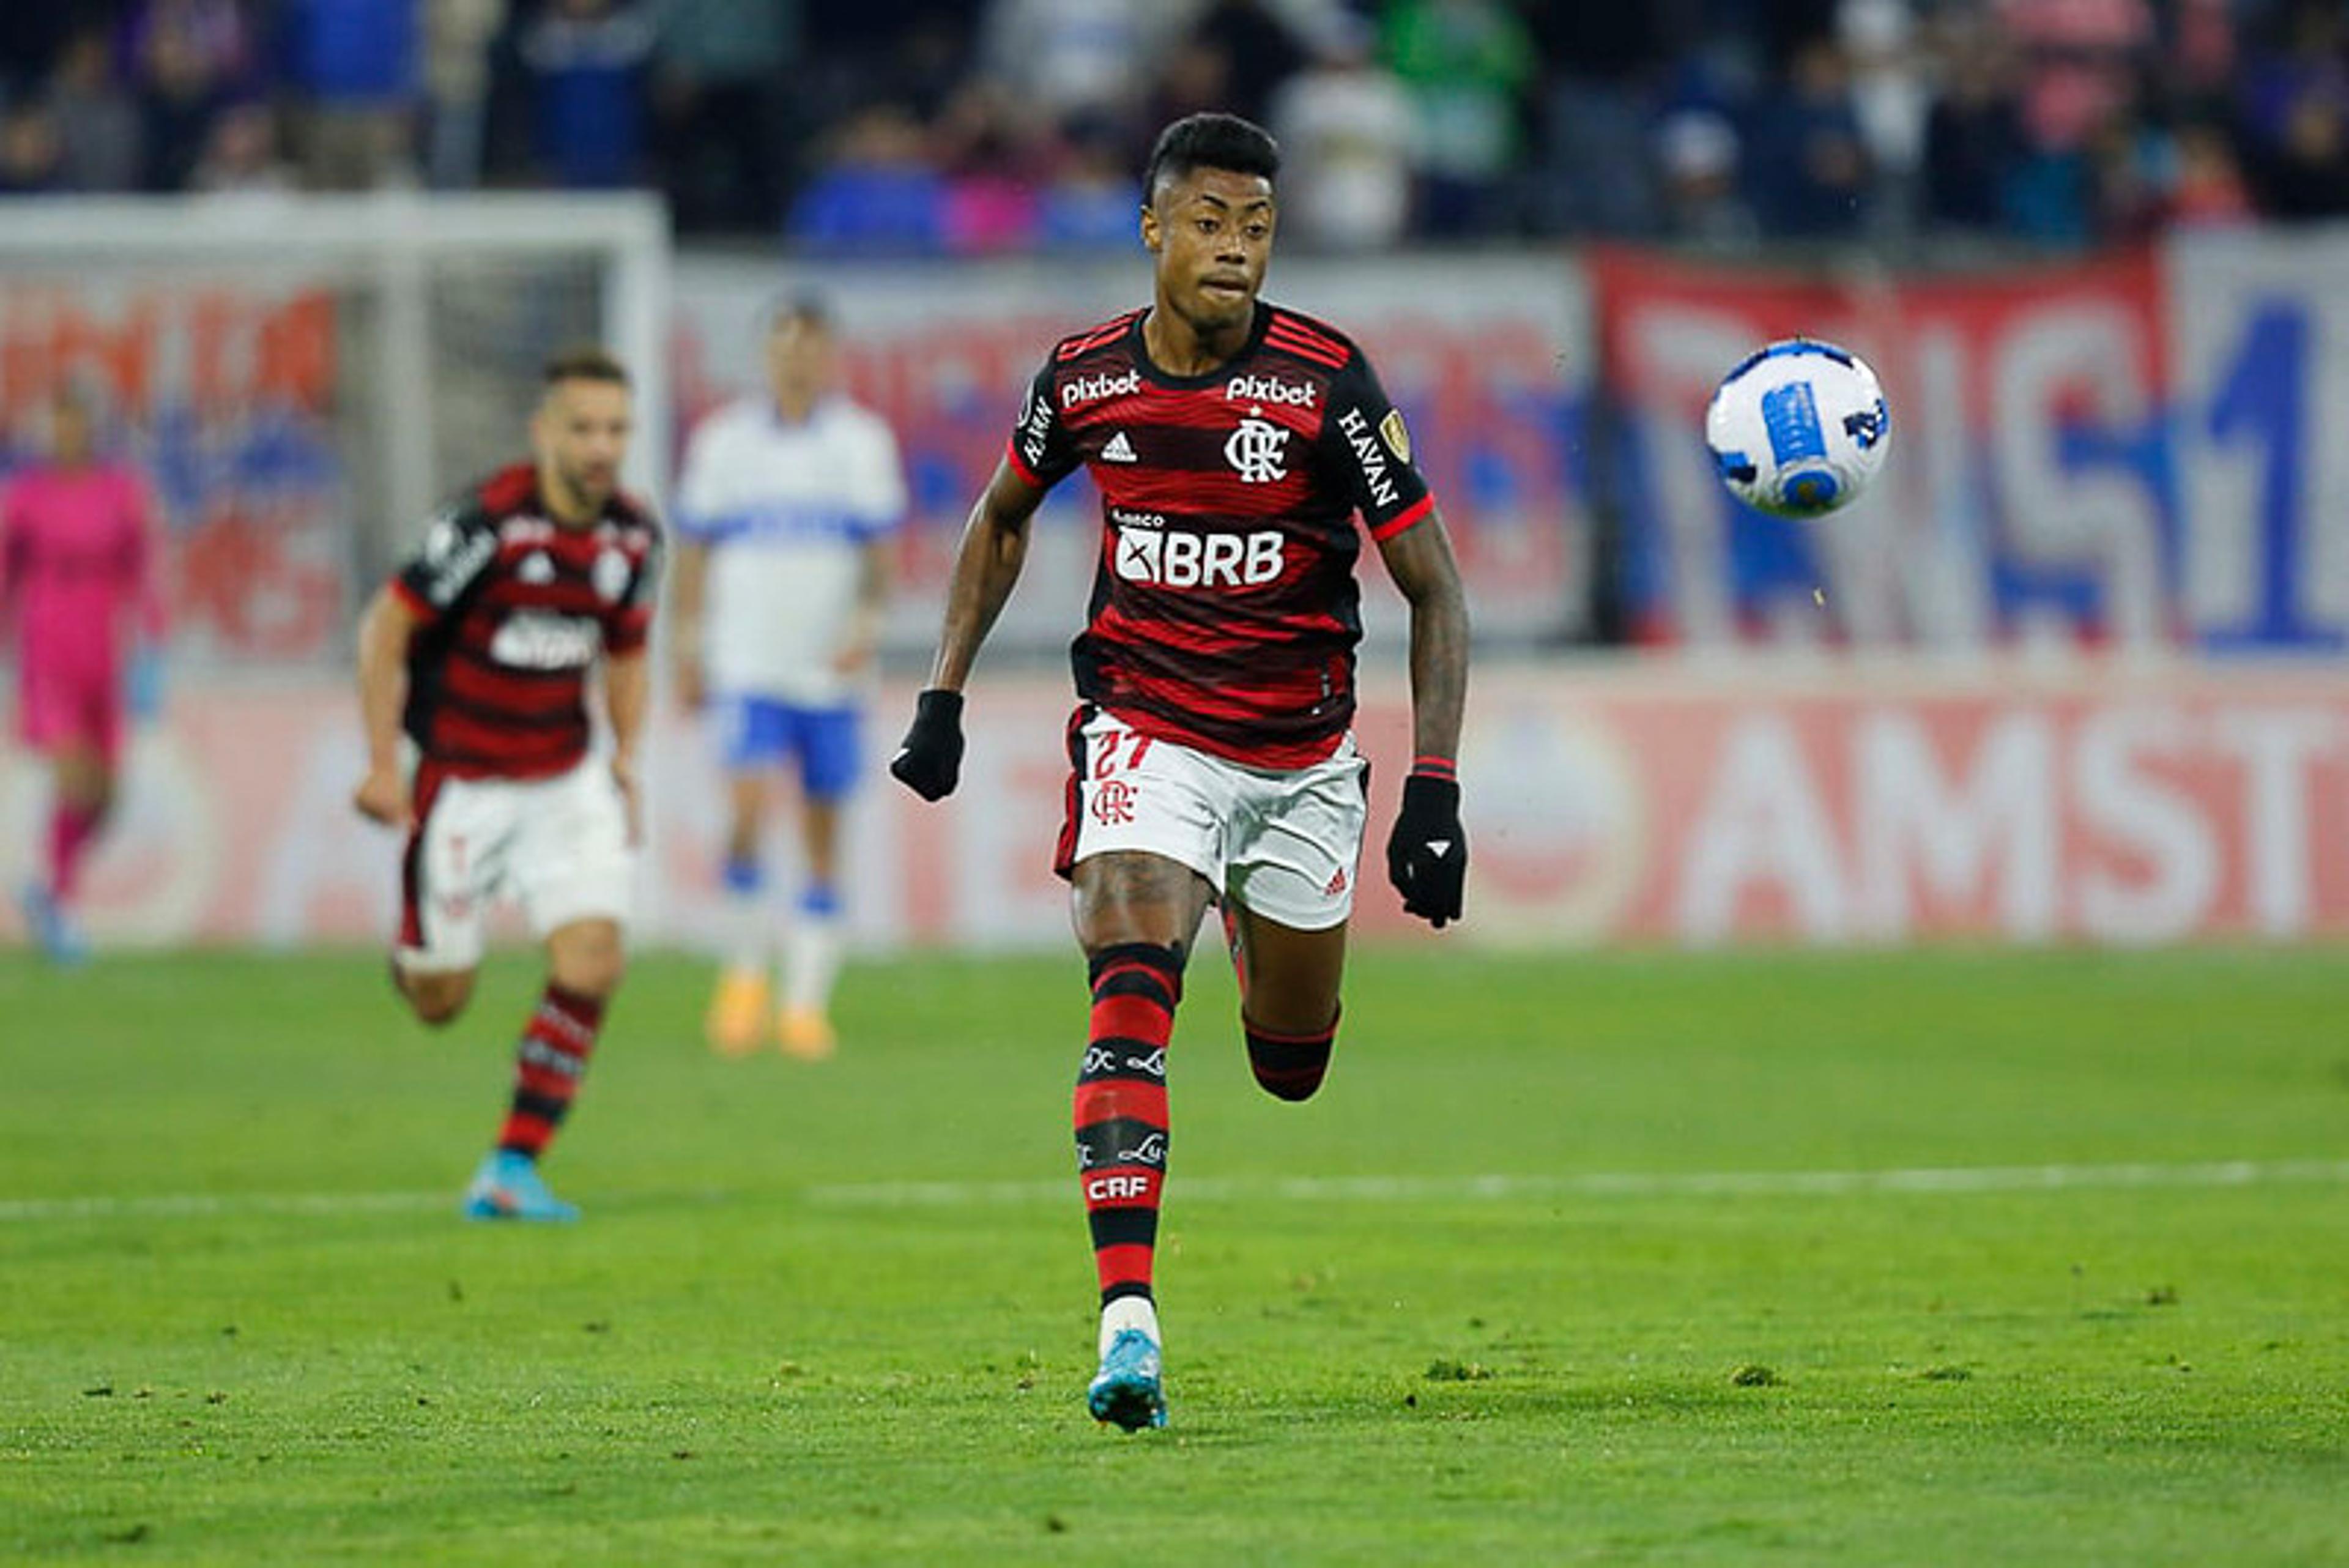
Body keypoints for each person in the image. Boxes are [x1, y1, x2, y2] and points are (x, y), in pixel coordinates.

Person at [888, 112, 1471, 1432]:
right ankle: (1129, 1325)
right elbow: (1000, 519)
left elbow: (1436, 589)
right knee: (1131, 980)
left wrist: (1431, 787)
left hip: (1305, 764)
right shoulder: (1084, 379)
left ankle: (1271, 963)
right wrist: (943, 694)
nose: (1236, 251)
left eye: (1258, 228)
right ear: (1153, 229)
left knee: (1291, 1061)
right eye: (1210, 223)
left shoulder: (1328, 384)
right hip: (1147, 731)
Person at [351, 348, 661, 1222]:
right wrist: (383, 763)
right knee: (440, 999)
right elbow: (385, 629)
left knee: (594, 959)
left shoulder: (633, 538)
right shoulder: (486, 524)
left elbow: (628, 653)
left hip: (565, 776)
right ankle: (420, 942)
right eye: (584, 428)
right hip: (463, 783)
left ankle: (510, 1167)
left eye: (616, 429)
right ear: (545, 433)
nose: (602, 447)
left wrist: (627, 755)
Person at [670, 295, 905, 1060]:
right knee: (743, 813)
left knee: (821, 830)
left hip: (830, 672)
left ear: (830, 355)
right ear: (765, 356)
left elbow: (879, 557)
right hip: (747, 660)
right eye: (783, 347)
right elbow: (696, 550)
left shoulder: (861, 443)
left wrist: (865, 630)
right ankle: (744, 974)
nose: (796, 360)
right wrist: (687, 641)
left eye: (809, 347)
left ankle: (804, 1002)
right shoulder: (724, 443)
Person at [2, 387, 166, 964]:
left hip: (106, 650)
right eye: (57, 426)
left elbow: (144, 569)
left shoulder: (121, 493)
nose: (65, 437)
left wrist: (154, 645)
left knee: (107, 795)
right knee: (74, 776)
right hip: (48, 647)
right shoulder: (24, 497)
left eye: (74, 425)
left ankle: (47, 891)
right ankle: (63, 905)